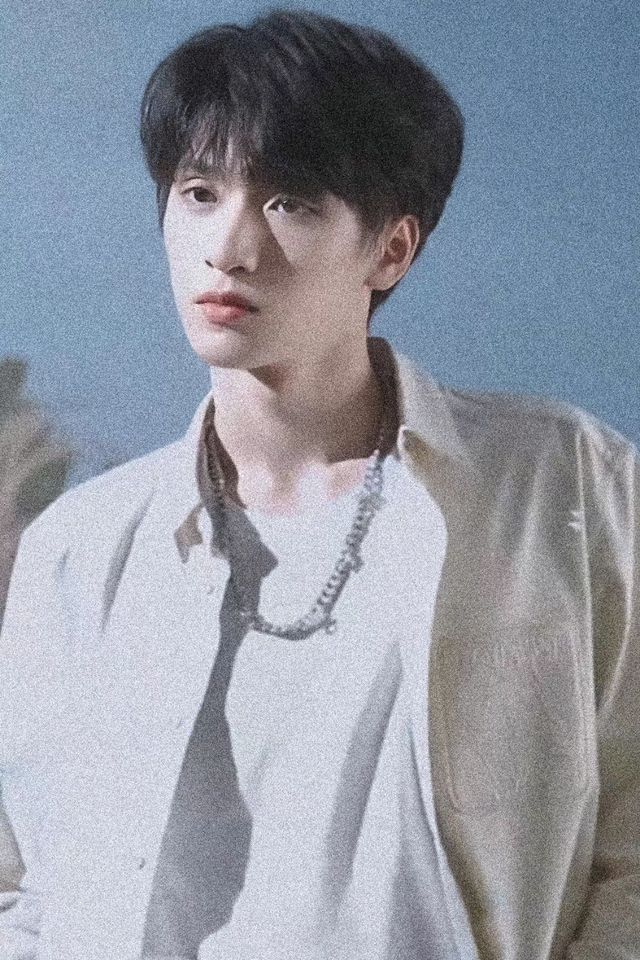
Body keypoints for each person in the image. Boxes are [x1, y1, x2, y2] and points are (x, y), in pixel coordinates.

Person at [0, 7, 638, 960]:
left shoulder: (563, 482)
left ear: (392, 248)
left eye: (291, 202)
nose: (229, 246)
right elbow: (25, 885)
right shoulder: (81, 547)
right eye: (199, 192)